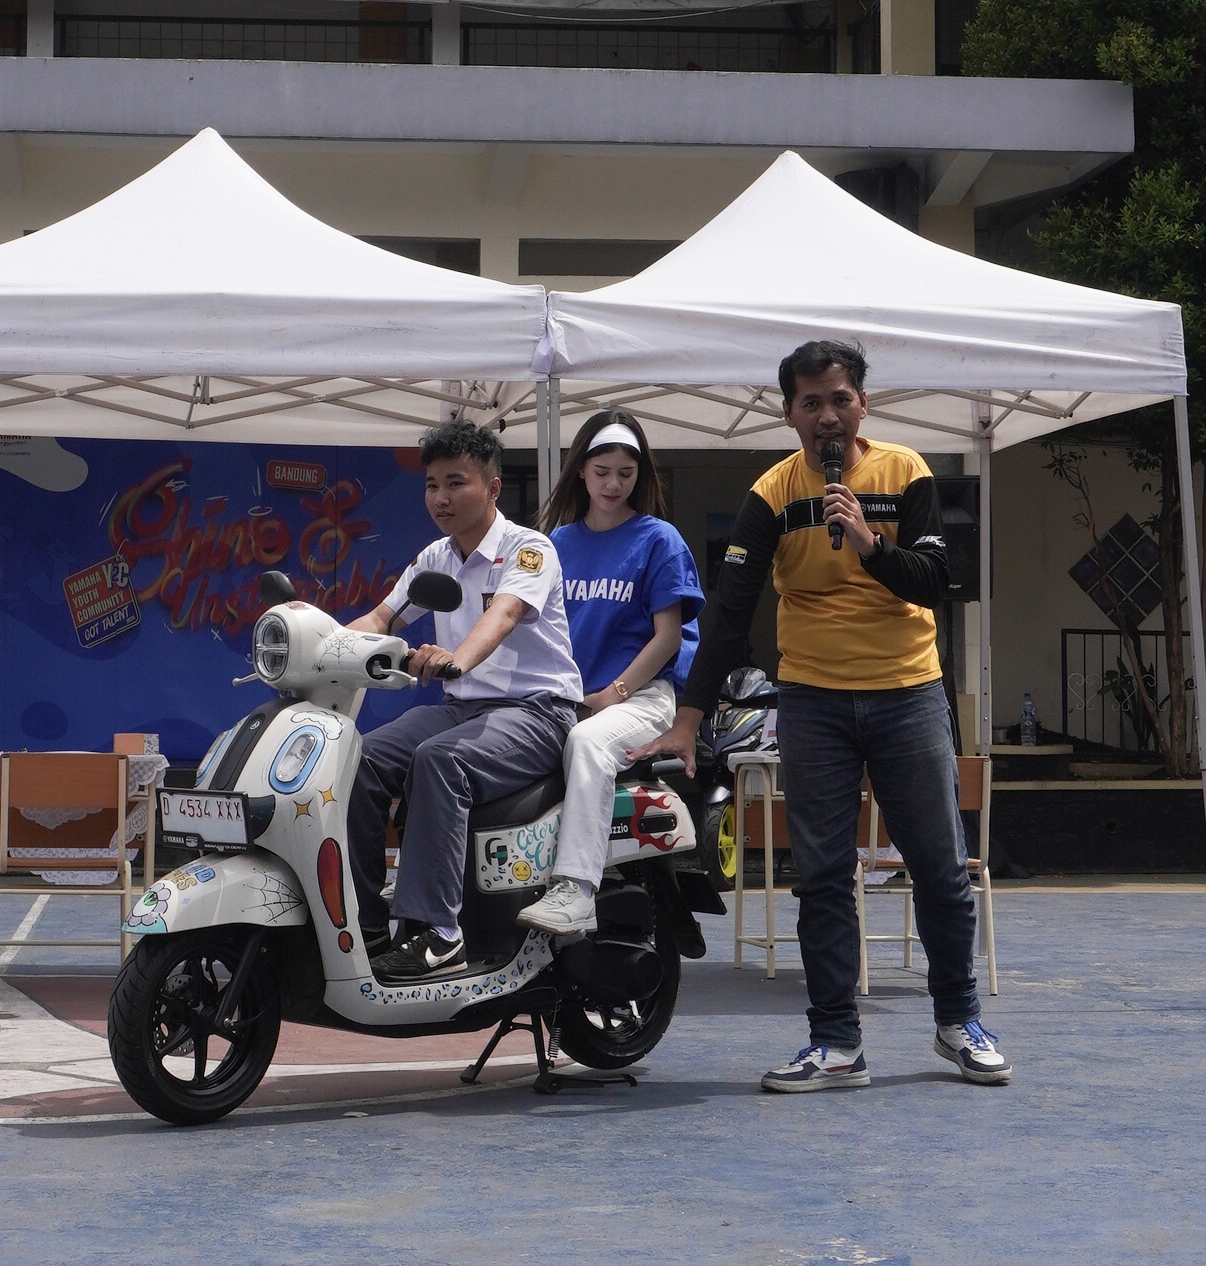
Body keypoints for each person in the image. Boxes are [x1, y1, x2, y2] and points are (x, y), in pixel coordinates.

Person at [630, 340, 1011, 1092]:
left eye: (840, 399)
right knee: (824, 875)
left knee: (937, 868)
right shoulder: (772, 493)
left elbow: (934, 582)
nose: (827, 416)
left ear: (863, 403)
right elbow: (731, 610)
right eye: (811, 403)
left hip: (907, 691)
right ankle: (836, 1042)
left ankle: (958, 1021)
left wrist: (869, 545)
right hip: (812, 701)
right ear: (789, 414)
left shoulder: (907, 473)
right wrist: (688, 716)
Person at [347, 420, 583, 981]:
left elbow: (501, 616)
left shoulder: (529, 550)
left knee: (440, 759)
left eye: (456, 483)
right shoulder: (435, 558)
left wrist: (456, 660)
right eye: (432, 485)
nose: (440, 498)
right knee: (357, 757)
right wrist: (309, 645)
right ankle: (365, 926)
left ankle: (440, 934)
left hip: (536, 713)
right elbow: (380, 620)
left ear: (493, 488)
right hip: (462, 710)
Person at [515, 410, 704, 933]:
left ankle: (575, 888)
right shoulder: (554, 544)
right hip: (568, 699)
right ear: (580, 471)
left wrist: (612, 694)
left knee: (589, 743)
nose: (613, 483)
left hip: (640, 698)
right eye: (602, 471)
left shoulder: (659, 539)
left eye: (625, 472)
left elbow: (668, 637)